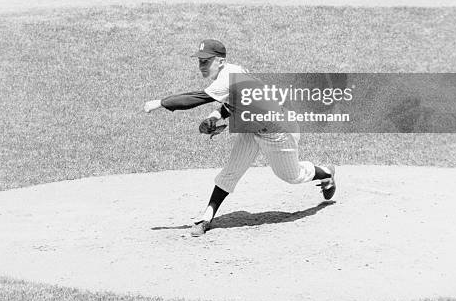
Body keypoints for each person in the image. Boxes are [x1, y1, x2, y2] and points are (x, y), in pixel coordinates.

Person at [143, 39, 337, 237]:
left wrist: (161, 103)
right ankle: (206, 218)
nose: (201, 66)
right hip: (252, 127)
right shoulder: (232, 72)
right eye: (200, 61)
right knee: (231, 171)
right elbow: (236, 103)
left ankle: (326, 173)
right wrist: (215, 116)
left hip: (278, 130)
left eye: (206, 61)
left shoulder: (226, 78)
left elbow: (195, 98)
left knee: (292, 176)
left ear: (220, 61)